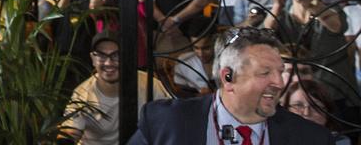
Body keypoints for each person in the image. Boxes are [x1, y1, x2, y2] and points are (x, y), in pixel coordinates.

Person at [127, 27, 331, 144]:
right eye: (265, 73)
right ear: (228, 78)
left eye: (280, 71)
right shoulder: (165, 123)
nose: (279, 83)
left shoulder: (311, 139)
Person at [62, 32, 167, 144]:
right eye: (101, 55)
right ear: (93, 59)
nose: (108, 62)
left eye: (116, 55)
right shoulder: (82, 94)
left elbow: (168, 119)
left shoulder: (148, 83)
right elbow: (70, 132)